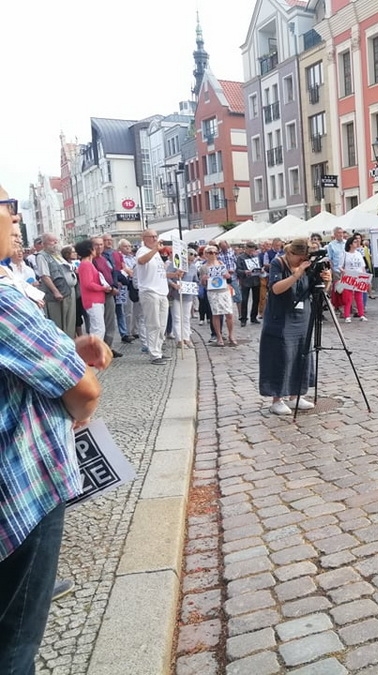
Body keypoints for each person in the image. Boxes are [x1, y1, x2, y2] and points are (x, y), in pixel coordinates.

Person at [0, 188, 111, 673]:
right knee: (16, 642)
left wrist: (66, 344)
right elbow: (82, 390)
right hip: (22, 486)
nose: (12, 216)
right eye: (6, 206)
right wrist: (80, 406)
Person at [259, 238, 332, 415]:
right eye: (299, 258)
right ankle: (277, 399)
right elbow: (275, 289)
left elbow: (318, 291)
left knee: (301, 355)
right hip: (280, 319)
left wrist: (327, 281)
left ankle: (295, 396)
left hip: (302, 318)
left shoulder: (307, 265)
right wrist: (296, 274)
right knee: (281, 356)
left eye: (304, 258)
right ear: (290, 253)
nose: (302, 261)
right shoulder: (278, 263)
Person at [135, 230, 173, 364]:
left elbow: (160, 273)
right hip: (149, 291)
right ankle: (154, 353)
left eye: (156, 236)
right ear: (144, 238)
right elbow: (141, 261)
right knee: (153, 324)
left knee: (162, 324)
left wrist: (174, 275)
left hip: (162, 291)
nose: (155, 239)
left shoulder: (156, 253)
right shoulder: (142, 250)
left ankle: (159, 349)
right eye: (151, 237)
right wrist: (155, 249)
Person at [35, 233, 77, 339]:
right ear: (44, 243)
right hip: (56, 295)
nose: (55, 243)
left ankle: (70, 345)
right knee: (59, 323)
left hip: (68, 292)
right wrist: (55, 291)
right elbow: (45, 276)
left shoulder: (57, 255)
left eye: (56, 241)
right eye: (52, 241)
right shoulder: (41, 256)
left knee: (70, 322)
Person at [200, 245, 236, 345]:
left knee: (229, 313)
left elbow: (229, 278)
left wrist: (227, 276)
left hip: (224, 290)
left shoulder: (221, 263)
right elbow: (202, 283)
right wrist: (204, 279)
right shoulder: (204, 267)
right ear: (206, 254)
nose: (214, 255)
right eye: (211, 253)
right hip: (213, 292)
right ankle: (218, 336)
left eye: (216, 253)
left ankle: (231, 334)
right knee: (216, 314)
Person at [75, 239, 111, 341]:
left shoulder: (87, 264)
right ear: (90, 250)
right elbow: (88, 284)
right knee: (98, 329)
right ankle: (94, 352)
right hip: (93, 300)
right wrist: (103, 288)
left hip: (96, 299)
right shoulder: (86, 264)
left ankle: (95, 351)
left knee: (98, 328)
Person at [339, 234, 368, 322]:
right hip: (348, 276)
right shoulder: (345, 254)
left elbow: (363, 266)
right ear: (350, 244)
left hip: (358, 276)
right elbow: (339, 266)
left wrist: (364, 276)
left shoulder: (358, 254)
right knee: (348, 297)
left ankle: (361, 314)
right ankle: (347, 315)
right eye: (355, 242)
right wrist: (343, 271)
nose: (357, 243)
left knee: (359, 297)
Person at [236, 242, 262, 327]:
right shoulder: (240, 258)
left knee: (256, 299)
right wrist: (244, 272)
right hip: (245, 281)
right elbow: (238, 270)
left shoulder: (256, 257)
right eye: (250, 250)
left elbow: (260, 266)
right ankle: (243, 319)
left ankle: (253, 317)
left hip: (256, 280)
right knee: (244, 300)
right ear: (246, 249)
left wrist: (261, 270)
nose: (251, 252)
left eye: (253, 250)